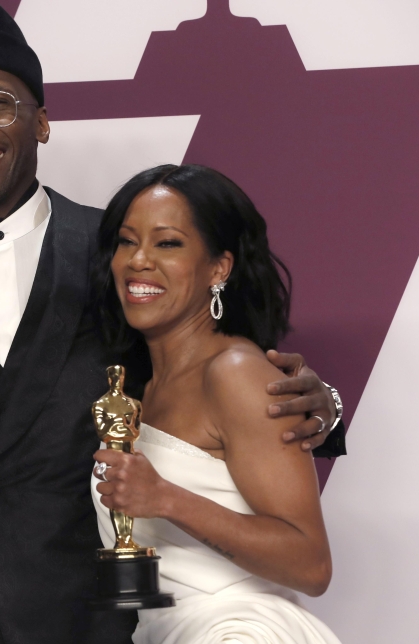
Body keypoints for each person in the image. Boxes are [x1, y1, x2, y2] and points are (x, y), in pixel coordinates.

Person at [0, 0, 345, 644]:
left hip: (101, 616)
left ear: (43, 122)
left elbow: (213, 378)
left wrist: (324, 407)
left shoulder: (120, 256)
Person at [92, 164, 340, 643]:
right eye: (126, 241)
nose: (139, 260)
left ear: (219, 267)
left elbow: (312, 565)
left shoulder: (234, 373)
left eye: (167, 243)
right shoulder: (143, 387)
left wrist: (167, 498)